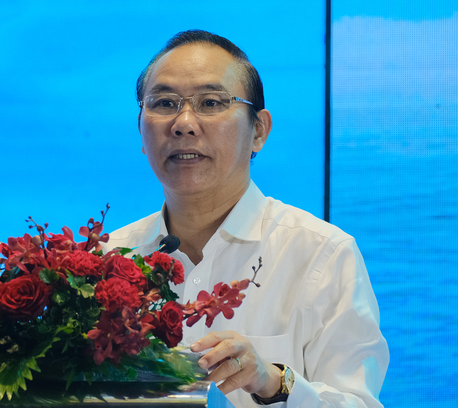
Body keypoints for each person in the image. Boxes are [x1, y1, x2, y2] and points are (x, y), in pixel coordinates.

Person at [106, 30, 389, 407]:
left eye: (210, 103)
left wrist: (273, 382)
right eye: (164, 102)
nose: (184, 123)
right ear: (141, 131)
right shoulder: (107, 260)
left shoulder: (322, 254)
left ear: (258, 130)